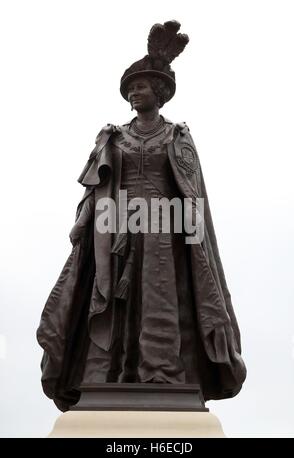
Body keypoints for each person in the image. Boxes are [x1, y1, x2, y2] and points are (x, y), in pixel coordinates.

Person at [37, 20, 246, 412]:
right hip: (114, 229)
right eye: (131, 87)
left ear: (161, 93)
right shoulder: (112, 135)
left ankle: (160, 376)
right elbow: (93, 187)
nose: (135, 92)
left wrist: (192, 240)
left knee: (160, 301)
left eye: (143, 86)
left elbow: (191, 190)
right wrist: (83, 223)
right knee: (108, 299)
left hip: (164, 232)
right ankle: (104, 377)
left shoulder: (177, 135)